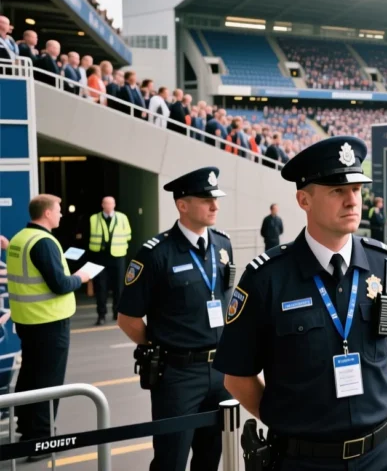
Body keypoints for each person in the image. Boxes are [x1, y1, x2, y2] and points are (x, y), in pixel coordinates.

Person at [214, 136, 387, 471]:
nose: (352, 201)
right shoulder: (266, 278)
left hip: (380, 456)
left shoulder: (385, 266)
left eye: (356, 189)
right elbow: (237, 377)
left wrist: (369, 398)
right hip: (302, 461)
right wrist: (290, 419)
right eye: (337, 191)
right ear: (304, 200)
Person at [117, 167, 235, 471]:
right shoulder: (156, 253)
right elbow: (128, 318)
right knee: (171, 458)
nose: (215, 206)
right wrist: (163, 346)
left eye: (216, 199)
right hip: (179, 375)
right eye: (206, 199)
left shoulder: (223, 244)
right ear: (182, 205)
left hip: (221, 370)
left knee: (210, 457)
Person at [7, 195, 93, 459]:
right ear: (46, 213)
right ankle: (41, 440)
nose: (61, 214)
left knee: (30, 376)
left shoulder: (20, 238)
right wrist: (81, 277)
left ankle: (26, 428)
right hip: (49, 322)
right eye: (58, 210)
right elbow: (60, 284)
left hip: (28, 320)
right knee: (49, 382)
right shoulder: (43, 242)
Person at [87, 196, 132, 325]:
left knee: (119, 286)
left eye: (111, 203)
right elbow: (87, 236)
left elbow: (128, 235)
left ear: (114, 205)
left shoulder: (122, 218)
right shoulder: (94, 218)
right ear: (102, 205)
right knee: (101, 287)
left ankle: (117, 313)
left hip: (118, 256)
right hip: (100, 256)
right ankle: (101, 315)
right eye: (106, 203)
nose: (108, 206)